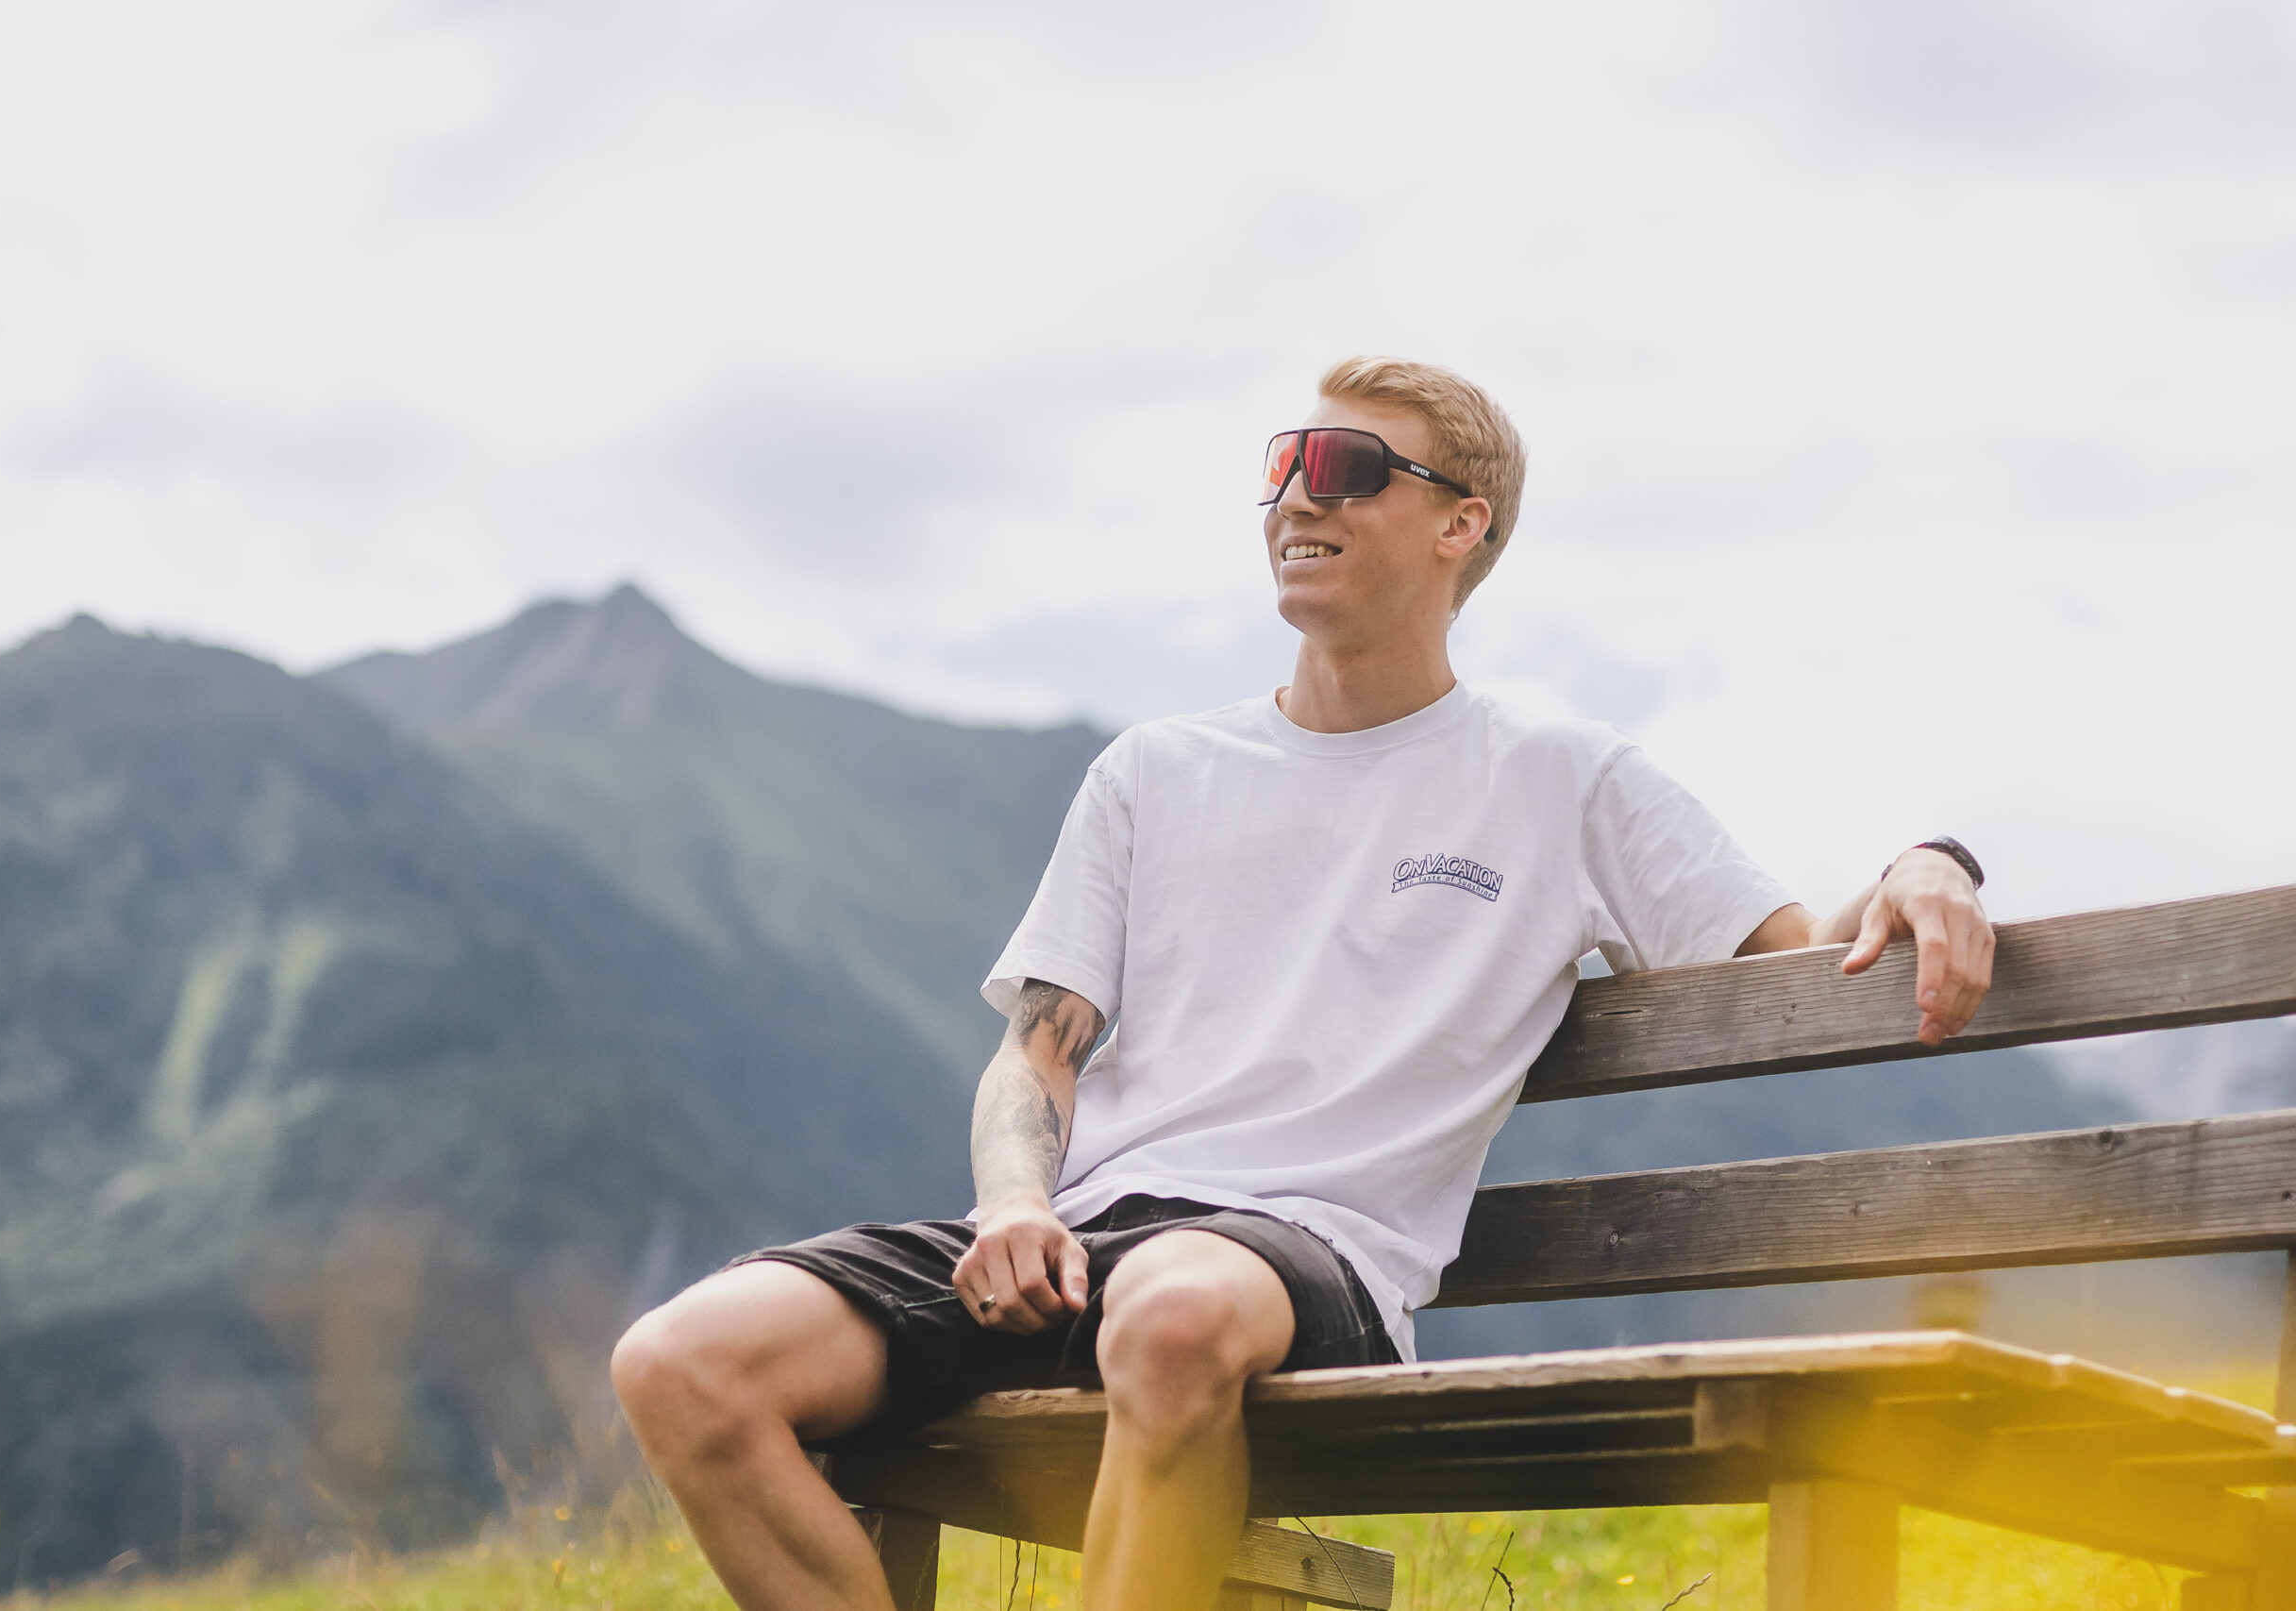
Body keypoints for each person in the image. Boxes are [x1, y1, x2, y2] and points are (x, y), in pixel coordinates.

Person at [609, 357, 1996, 1611]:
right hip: (1078, 1239)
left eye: (1345, 471)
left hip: (1300, 1261)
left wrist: (1927, 862)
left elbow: (1803, 954)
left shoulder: (1561, 776)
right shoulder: (1156, 773)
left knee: (1175, 1310)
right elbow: (1040, 1052)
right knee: (682, 1363)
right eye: (1283, 465)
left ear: (1464, 525)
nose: (1295, 499)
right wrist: (1019, 1205)